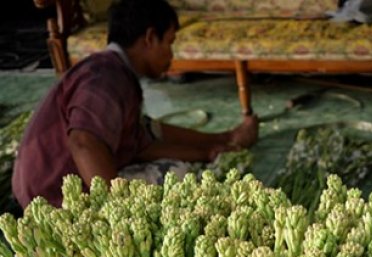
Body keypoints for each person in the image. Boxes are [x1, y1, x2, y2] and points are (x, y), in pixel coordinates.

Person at [12, 0, 258, 209]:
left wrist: (212, 149)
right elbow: (84, 143)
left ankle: (227, 135)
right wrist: (120, 212)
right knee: (179, 177)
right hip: (52, 198)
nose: (171, 55)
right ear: (150, 38)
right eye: (169, 43)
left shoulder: (115, 73)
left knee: (166, 146)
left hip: (46, 191)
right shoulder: (104, 77)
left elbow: (141, 143)